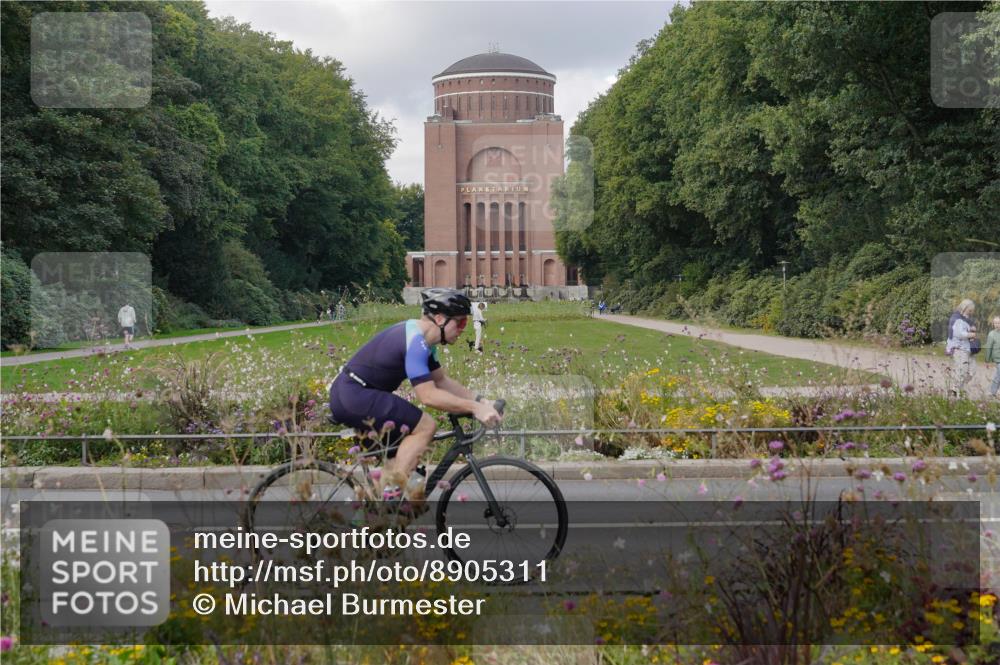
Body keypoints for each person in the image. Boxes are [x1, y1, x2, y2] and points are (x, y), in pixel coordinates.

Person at [328, 287, 502, 498]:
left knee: (409, 466)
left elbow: (441, 381)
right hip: (355, 395)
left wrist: (482, 401)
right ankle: (392, 496)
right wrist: (475, 408)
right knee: (426, 426)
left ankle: (378, 510)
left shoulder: (424, 341)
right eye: (460, 322)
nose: (463, 328)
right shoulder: (416, 343)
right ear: (440, 319)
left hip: (355, 393)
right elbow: (427, 396)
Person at [945, 299, 978, 396]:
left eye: (972, 311)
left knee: (972, 370)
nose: (971, 312)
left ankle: (958, 388)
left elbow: (967, 329)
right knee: (961, 370)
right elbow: (959, 334)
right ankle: (955, 391)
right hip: (959, 348)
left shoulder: (966, 318)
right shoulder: (956, 318)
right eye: (970, 310)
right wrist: (970, 334)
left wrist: (972, 328)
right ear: (965, 307)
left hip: (968, 349)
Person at [986, 315, 1000, 398]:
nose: (997, 325)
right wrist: (987, 360)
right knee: (998, 375)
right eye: (995, 323)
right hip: (998, 359)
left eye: (998, 323)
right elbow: (989, 348)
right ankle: (992, 392)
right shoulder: (991, 334)